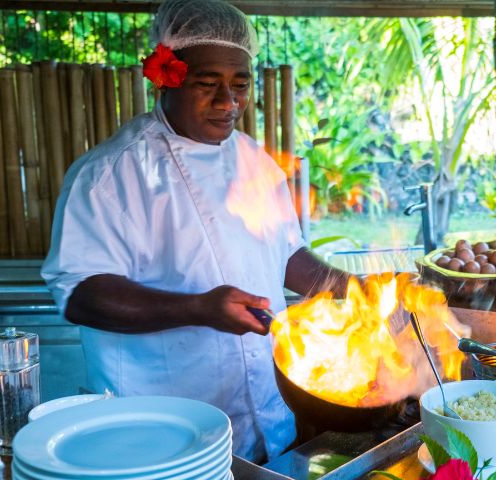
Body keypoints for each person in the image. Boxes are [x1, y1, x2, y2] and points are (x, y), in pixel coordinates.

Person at [41, 0, 352, 463]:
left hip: (268, 418)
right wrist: (198, 308)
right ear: (166, 77)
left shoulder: (253, 160)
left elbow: (286, 254)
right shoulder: (111, 174)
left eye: (240, 85)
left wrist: (354, 289)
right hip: (162, 440)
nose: (228, 103)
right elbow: (81, 293)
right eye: (208, 84)